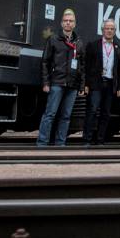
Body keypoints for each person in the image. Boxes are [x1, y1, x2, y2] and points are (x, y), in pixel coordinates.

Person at [38, 9, 84, 147]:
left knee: (66, 116)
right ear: (61, 23)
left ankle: (60, 143)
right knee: (50, 114)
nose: (68, 23)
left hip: (72, 85)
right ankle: (42, 142)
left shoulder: (79, 43)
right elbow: (45, 62)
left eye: (71, 21)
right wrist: (46, 82)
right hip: (56, 82)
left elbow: (82, 66)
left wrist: (81, 86)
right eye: (65, 21)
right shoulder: (53, 39)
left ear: (75, 24)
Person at [82, 18, 120, 146]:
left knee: (106, 113)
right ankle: (87, 139)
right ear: (102, 30)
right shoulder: (93, 45)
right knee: (92, 110)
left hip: (111, 84)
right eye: (107, 28)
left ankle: (100, 139)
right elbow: (86, 66)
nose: (109, 31)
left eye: (112, 29)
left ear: (115, 31)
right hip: (96, 83)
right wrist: (85, 84)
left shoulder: (118, 47)